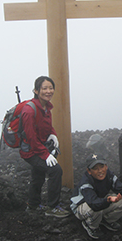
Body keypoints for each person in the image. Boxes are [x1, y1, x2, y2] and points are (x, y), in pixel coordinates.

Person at [20, 76, 70, 218]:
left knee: (38, 175)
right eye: (44, 88)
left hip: (38, 148)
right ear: (36, 90)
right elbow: (31, 137)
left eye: (50, 88)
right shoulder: (29, 111)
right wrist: (45, 155)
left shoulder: (46, 107)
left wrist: (53, 135)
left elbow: (48, 127)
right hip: (30, 151)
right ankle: (52, 207)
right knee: (56, 171)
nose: (48, 91)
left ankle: (33, 205)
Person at [70, 154, 122, 239]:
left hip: (100, 201)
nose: (100, 171)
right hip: (82, 206)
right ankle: (91, 226)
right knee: (96, 209)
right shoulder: (86, 182)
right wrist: (108, 200)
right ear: (89, 171)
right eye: (95, 169)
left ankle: (106, 220)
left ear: (106, 166)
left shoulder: (109, 175)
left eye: (102, 167)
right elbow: (93, 203)